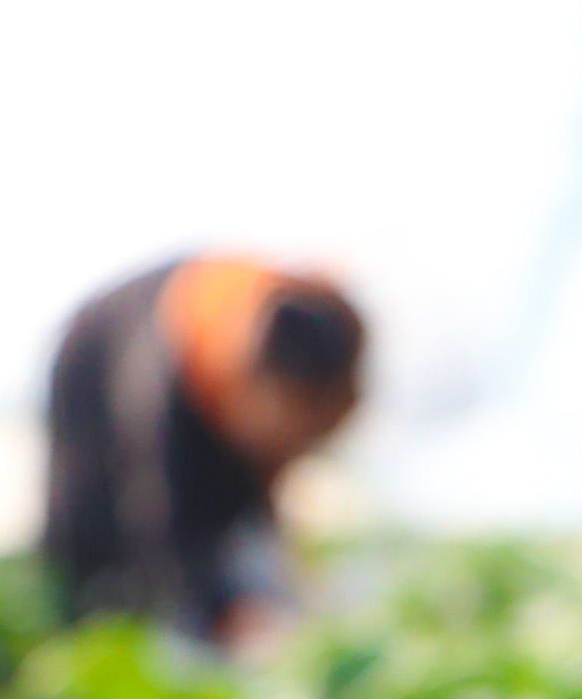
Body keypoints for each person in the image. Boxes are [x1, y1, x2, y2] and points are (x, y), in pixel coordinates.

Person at [38, 255, 365, 643]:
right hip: (94, 360)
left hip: (204, 382)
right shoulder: (163, 388)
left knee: (229, 526)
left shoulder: (329, 339)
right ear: (253, 386)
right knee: (93, 535)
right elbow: (160, 511)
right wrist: (219, 612)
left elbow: (264, 489)